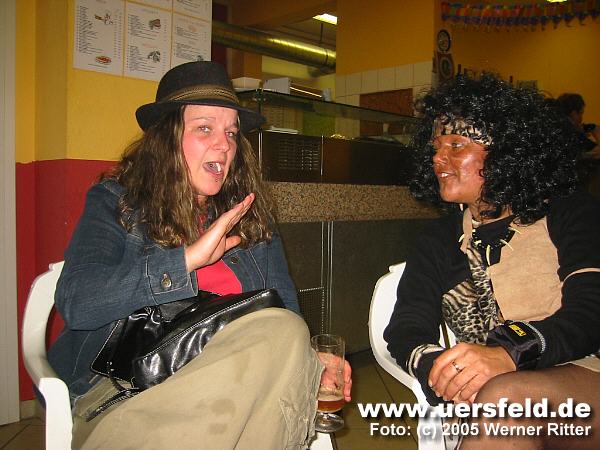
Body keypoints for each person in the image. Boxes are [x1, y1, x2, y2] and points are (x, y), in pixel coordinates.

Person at [48, 61, 352, 449]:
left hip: (238, 390)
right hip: (129, 390)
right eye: (205, 128)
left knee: (286, 332)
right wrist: (186, 262)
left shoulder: (250, 218)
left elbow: (286, 310)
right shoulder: (117, 203)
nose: (224, 144)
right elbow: (78, 302)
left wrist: (314, 361)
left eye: (231, 132)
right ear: (166, 137)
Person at [384, 74, 600, 449]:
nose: (438, 158)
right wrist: (451, 375)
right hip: (493, 396)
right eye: (435, 147)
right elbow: (406, 330)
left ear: (507, 151)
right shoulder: (437, 240)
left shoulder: (570, 211)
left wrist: (510, 353)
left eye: (456, 145)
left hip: (585, 376)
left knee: (505, 400)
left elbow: (591, 310)